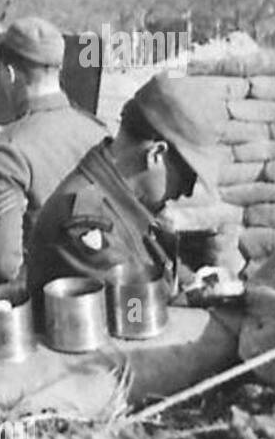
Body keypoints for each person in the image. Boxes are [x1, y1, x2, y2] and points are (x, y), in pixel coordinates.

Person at [26, 72, 223, 299]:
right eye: (187, 176)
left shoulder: (126, 201)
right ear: (156, 155)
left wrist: (197, 280)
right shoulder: (86, 221)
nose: (186, 192)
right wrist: (194, 298)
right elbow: (133, 311)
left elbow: (151, 264)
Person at [0, 17, 107, 313]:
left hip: (41, 315)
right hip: (101, 303)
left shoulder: (4, 152)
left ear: (9, 74)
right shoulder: (100, 133)